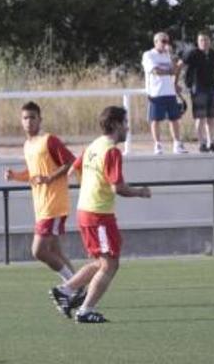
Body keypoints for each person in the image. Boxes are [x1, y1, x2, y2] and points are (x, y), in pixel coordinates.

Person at [51, 106, 151, 323]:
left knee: (102, 262)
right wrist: (140, 192)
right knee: (111, 264)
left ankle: (66, 290)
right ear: (115, 124)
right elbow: (118, 188)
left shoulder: (94, 145)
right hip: (99, 215)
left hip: (86, 211)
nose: (128, 127)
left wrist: (89, 185)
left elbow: (72, 170)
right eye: (125, 123)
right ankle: (85, 311)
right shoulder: (112, 151)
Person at [3, 101, 84, 313]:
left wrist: (49, 178)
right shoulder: (28, 145)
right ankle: (79, 288)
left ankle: (70, 287)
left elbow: (70, 162)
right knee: (55, 251)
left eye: (32, 117)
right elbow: (33, 174)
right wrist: (15, 176)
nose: (29, 122)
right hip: (41, 207)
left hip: (54, 205)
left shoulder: (49, 140)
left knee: (38, 250)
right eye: (25, 118)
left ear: (40, 119)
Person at [181, 32, 214, 153]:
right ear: (198, 42)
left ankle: (211, 142)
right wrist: (177, 82)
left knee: (211, 117)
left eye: (206, 40)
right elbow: (180, 65)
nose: (204, 42)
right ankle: (202, 143)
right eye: (201, 40)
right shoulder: (193, 53)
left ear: (210, 41)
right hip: (198, 88)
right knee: (200, 117)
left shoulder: (213, 53)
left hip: (212, 88)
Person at [142, 32, 187, 155]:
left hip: (170, 92)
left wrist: (173, 60)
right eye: (163, 41)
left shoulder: (168, 55)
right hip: (156, 93)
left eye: (167, 41)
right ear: (155, 42)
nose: (166, 44)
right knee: (155, 120)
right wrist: (171, 71)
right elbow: (156, 71)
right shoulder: (149, 55)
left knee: (175, 119)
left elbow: (174, 70)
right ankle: (158, 145)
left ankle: (177, 144)